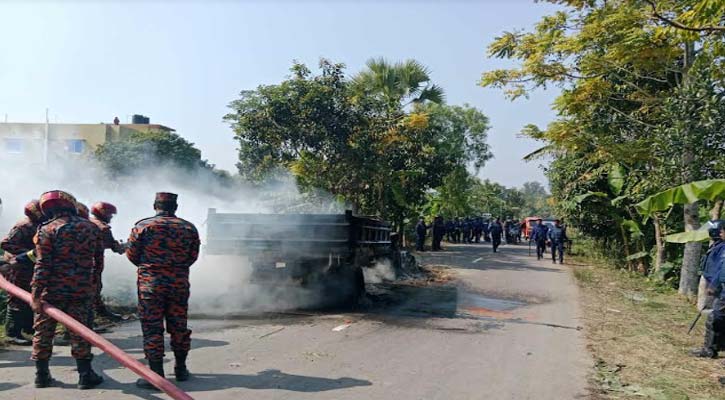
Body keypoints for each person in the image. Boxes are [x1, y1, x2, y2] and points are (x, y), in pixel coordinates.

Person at [31, 190, 104, 389]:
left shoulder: (46, 230)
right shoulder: (91, 227)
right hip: (81, 290)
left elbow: (42, 264)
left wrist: (36, 294)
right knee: (80, 332)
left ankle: (42, 376)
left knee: (43, 332)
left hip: (51, 292)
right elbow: (98, 261)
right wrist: (95, 284)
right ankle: (85, 375)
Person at [127, 192, 200, 388]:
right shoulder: (188, 228)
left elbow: (132, 255)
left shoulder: (143, 226)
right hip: (178, 285)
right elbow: (193, 256)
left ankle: (156, 374)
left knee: (152, 329)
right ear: (175, 207)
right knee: (179, 326)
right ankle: (181, 368)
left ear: (155, 206)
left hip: (150, 286)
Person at [1, 200, 46, 345]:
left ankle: (27, 330)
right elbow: (6, 243)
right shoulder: (23, 226)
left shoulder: (40, 225)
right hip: (18, 268)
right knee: (17, 300)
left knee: (30, 298)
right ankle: (12, 333)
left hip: (30, 267)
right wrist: (27, 254)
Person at [690, 220, 725, 358]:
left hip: (721, 288)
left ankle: (710, 349)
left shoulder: (722, 248)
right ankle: (713, 347)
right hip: (718, 287)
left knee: (714, 318)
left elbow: (721, 269)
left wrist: (714, 285)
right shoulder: (717, 246)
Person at [89, 202, 126, 322]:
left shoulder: (86, 222)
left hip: (80, 264)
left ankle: (99, 313)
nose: (111, 217)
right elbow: (116, 248)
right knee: (93, 290)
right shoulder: (103, 228)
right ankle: (88, 323)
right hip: (93, 264)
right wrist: (128, 245)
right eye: (110, 214)